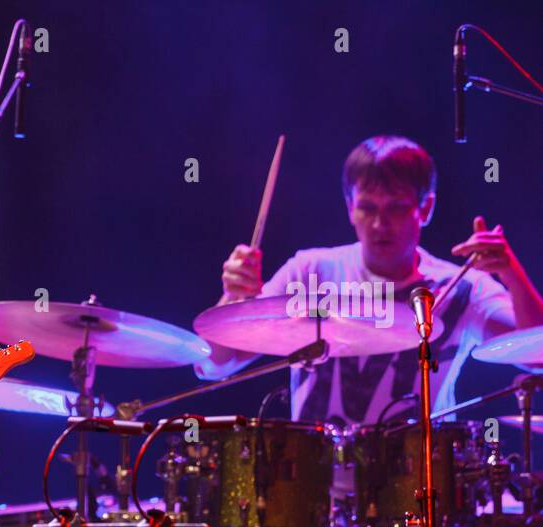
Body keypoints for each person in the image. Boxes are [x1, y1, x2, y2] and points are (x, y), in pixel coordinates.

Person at [197, 135, 543, 426]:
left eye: (395, 207)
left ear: (425, 208)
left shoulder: (464, 287)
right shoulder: (310, 272)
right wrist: (232, 297)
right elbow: (214, 364)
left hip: (422, 490)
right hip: (311, 493)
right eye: (367, 207)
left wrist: (512, 274)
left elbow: (536, 355)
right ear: (350, 207)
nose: (380, 223)